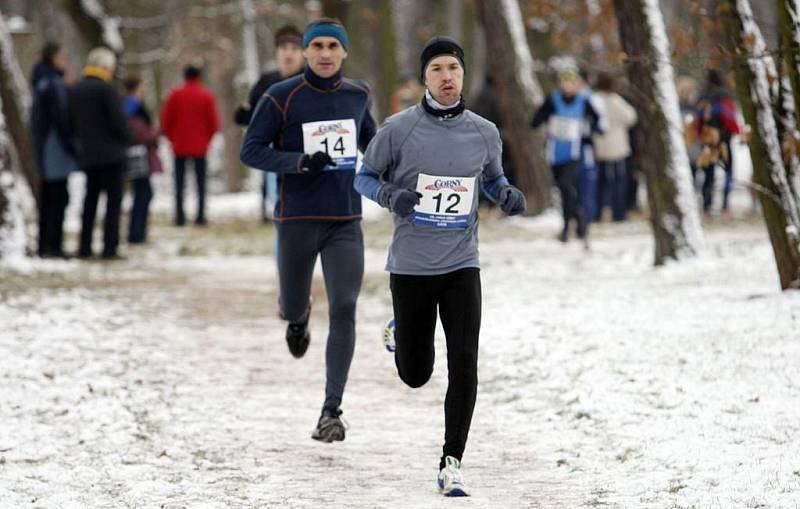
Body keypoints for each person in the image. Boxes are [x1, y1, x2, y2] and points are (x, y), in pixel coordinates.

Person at [355, 36, 526, 497]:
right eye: (437, 70)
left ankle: (452, 460)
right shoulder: (398, 129)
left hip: (461, 263)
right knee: (416, 374)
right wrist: (392, 196)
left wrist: (506, 194)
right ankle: (400, 331)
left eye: (453, 67)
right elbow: (364, 177)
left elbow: (493, 178)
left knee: (465, 363)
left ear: (463, 74)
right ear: (424, 79)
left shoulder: (484, 131)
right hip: (411, 266)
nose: (447, 76)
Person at [240, 18, 376, 443]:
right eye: (316, 45)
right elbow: (251, 150)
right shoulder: (280, 97)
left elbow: (374, 146)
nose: (324, 53)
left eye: (333, 46)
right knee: (294, 303)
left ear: (344, 53)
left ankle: (331, 411)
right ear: (304, 51)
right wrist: (297, 161)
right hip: (296, 219)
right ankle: (297, 321)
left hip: (344, 221)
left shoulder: (358, 95)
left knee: (345, 308)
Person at [234, 24, 305, 223]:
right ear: (277, 52)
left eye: (294, 49)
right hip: (274, 152)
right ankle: (270, 212)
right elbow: (256, 117)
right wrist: (244, 116)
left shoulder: (310, 81)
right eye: (284, 49)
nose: (288, 54)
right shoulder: (266, 81)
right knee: (279, 203)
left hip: (304, 153)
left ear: (303, 52)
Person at [69, 47, 131, 260]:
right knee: (113, 204)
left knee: (90, 201)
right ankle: (109, 247)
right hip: (112, 155)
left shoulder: (76, 89)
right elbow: (119, 123)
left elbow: (71, 123)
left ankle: (84, 246)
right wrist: (126, 137)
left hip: (88, 154)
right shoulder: (107, 90)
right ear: (106, 67)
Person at [531, 66, 601, 243]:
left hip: (574, 153)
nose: (568, 85)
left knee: (567, 186)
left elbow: (596, 119)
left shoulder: (583, 101)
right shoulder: (553, 100)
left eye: (572, 82)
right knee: (564, 190)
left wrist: (589, 131)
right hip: (555, 154)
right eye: (565, 81)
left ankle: (566, 227)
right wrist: (547, 122)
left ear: (577, 84)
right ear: (561, 83)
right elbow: (535, 120)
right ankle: (578, 217)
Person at [30, 42, 77, 259]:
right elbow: (61, 116)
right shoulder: (52, 83)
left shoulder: (41, 81)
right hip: (54, 147)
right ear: (54, 59)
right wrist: (72, 145)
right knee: (58, 197)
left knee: (50, 197)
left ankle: (45, 245)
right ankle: (53, 246)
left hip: (45, 146)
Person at [160, 65, 220, 226]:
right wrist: (207, 139)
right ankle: (200, 216)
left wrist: (172, 138)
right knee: (201, 182)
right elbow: (214, 122)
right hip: (200, 145)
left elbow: (166, 121)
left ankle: (180, 217)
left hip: (179, 145)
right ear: (198, 76)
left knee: (179, 183)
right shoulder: (206, 96)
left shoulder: (175, 95)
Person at [592, 72, 637, 222]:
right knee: (619, 181)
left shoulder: (593, 100)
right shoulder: (616, 100)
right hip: (617, 148)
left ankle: (597, 212)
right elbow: (631, 117)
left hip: (598, 147)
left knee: (600, 182)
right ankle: (619, 213)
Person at [694, 69, 741, 212]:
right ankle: (725, 201)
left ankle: (707, 202)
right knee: (728, 170)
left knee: (708, 172)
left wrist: (699, 135)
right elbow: (731, 120)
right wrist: (734, 132)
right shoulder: (724, 98)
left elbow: (697, 120)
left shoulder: (702, 97)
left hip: (707, 139)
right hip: (724, 139)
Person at [123, 76, 162, 244]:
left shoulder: (128, 104)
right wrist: (154, 134)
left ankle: (138, 232)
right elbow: (138, 130)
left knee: (143, 193)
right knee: (143, 193)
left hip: (138, 154)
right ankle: (137, 233)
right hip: (138, 155)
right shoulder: (132, 105)